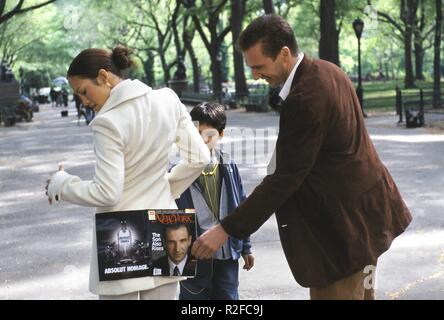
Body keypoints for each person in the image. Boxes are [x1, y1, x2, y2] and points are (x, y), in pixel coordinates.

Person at [191, 14, 412, 300]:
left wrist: (226, 229)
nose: (255, 75)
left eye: (259, 67)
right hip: (366, 222)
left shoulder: (304, 99)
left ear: (284, 54)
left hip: (341, 236)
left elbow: (285, 178)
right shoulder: (328, 70)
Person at [45, 46, 210, 300]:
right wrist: (167, 187)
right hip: (165, 224)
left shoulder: (107, 122)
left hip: (119, 234)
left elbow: (108, 193)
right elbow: (200, 157)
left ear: (104, 76)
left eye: (83, 92)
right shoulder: (167, 99)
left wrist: (63, 185)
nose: (84, 102)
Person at [175, 102, 254, 300]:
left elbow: (241, 206)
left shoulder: (229, 166)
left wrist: (246, 247)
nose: (202, 140)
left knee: (228, 297)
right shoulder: (177, 171)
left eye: (208, 135)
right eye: (196, 134)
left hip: (226, 252)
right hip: (192, 256)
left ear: (221, 135)